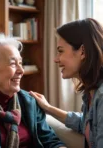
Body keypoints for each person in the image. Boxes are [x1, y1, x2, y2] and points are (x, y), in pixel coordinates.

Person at [30, 18, 103, 148]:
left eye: (60, 51)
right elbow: (85, 124)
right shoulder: (91, 92)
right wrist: (48, 108)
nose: (55, 59)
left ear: (82, 51)